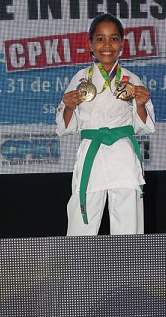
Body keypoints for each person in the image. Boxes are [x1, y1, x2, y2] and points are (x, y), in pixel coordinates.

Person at [56, 13, 155, 236]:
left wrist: (140, 104)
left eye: (114, 39)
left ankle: (129, 259)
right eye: (100, 39)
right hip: (92, 152)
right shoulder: (80, 78)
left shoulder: (131, 79)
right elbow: (65, 127)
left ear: (122, 44)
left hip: (123, 154)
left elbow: (143, 125)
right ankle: (78, 259)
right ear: (90, 44)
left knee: (129, 222)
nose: (107, 45)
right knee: (82, 222)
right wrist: (69, 107)